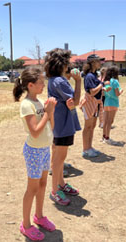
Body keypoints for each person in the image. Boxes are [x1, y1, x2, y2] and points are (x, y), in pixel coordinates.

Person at [13, 67, 57, 241]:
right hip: (34, 151)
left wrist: (50, 112)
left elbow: (50, 126)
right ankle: (26, 224)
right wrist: (47, 113)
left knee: (43, 183)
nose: (43, 85)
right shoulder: (27, 105)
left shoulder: (39, 102)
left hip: (45, 149)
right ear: (30, 85)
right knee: (32, 188)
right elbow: (35, 132)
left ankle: (39, 216)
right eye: (40, 82)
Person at [45, 48, 81, 206]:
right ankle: (55, 191)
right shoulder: (59, 81)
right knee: (59, 158)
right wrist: (78, 81)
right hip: (62, 124)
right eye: (67, 62)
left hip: (60, 123)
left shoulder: (54, 80)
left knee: (60, 157)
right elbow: (76, 101)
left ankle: (61, 184)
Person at [80, 54, 110, 158]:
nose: (100, 63)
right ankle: (85, 149)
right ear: (92, 62)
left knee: (92, 127)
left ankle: (89, 147)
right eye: (98, 61)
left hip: (95, 103)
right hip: (90, 103)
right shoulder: (89, 76)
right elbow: (92, 92)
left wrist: (103, 87)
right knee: (88, 127)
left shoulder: (93, 75)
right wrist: (102, 84)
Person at [102, 66, 123, 144]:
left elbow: (103, 93)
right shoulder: (115, 81)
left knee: (105, 121)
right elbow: (117, 93)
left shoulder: (105, 81)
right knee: (110, 121)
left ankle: (104, 137)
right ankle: (107, 138)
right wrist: (121, 91)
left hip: (106, 102)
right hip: (113, 103)